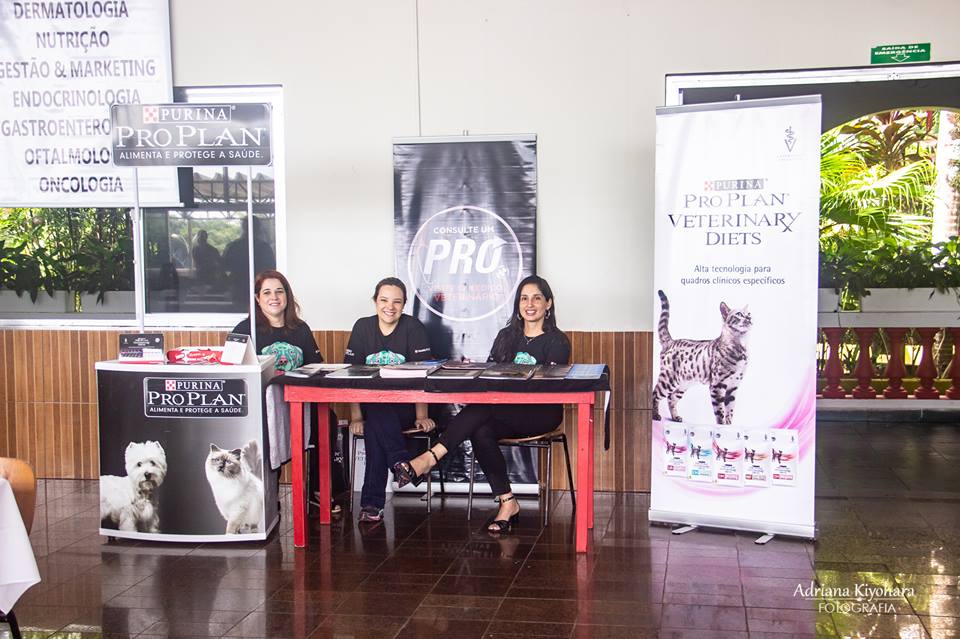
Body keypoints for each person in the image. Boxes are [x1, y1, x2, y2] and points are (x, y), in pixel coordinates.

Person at [394, 275, 570, 533]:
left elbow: (545, 387)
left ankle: (430, 458)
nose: (529, 304)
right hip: (504, 410)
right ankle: (508, 502)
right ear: (518, 304)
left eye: (536, 298)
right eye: (524, 298)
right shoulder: (506, 336)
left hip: (541, 412)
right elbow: (490, 377)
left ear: (548, 303)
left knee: (483, 410)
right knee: (481, 430)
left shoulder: (557, 341)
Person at [232, 270, 338, 512]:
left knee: (327, 420)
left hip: (299, 402)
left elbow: (316, 367)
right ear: (257, 298)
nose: (274, 297)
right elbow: (233, 371)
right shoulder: (245, 329)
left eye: (279, 291)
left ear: (287, 296)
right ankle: (269, 494)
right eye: (267, 292)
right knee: (267, 431)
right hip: (262, 406)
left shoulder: (300, 329)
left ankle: (317, 490)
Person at [345, 277, 435, 523]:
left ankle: (372, 504)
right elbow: (351, 376)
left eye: (397, 302)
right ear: (375, 301)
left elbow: (423, 376)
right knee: (376, 411)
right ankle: (400, 463)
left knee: (376, 422)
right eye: (384, 300)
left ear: (404, 304)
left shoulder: (413, 327)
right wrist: (356, 416)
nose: (390, 307)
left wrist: (421, 415)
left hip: (404, 406)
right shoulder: (362, 327)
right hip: (372, 405)